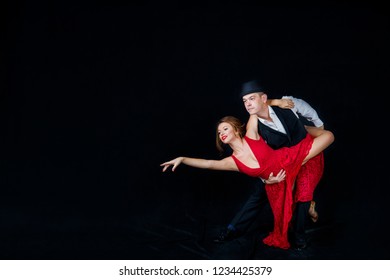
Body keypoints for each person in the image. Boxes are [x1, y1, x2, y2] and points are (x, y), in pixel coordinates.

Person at [160, 113, 334, 249]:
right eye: (219, 132)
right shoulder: (232, 162)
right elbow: (208, 164)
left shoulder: (251, 134)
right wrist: (182, 159)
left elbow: (255, 106)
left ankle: (301, 232)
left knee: (303, 191)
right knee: (283, 218)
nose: (221, 134)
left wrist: (278, 101)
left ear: (236, 129)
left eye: (225, 129)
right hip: (275, 183)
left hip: (291, 160)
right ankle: (309, 206)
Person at [214, 80, 326, 249]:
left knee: (303, 191)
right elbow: (260, 158)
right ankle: (232, 229)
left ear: (263, 98)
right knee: (259, 194)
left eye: (252, 99)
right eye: (245, 101)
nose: (248, 104)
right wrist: (266, 180)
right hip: (283, 163)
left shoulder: (286, 103)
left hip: (307, 154)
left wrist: (318, 128)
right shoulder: (255, 127)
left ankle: (299, 235)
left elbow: (308, 111)